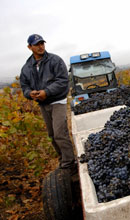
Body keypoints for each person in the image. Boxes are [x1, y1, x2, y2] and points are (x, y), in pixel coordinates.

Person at [20, 34, 76, 175]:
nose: (40, 46)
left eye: (42, 43)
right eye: (36, 44)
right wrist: (29, 93)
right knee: (52, 135)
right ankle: (63, 159)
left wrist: (47, 92)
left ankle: (70, 163)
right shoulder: (27, 68)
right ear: (29, 47)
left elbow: (63, 81)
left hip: (58, 101)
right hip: (43, 104)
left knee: (59, 133)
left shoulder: (55, 60)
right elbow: (24, 86)